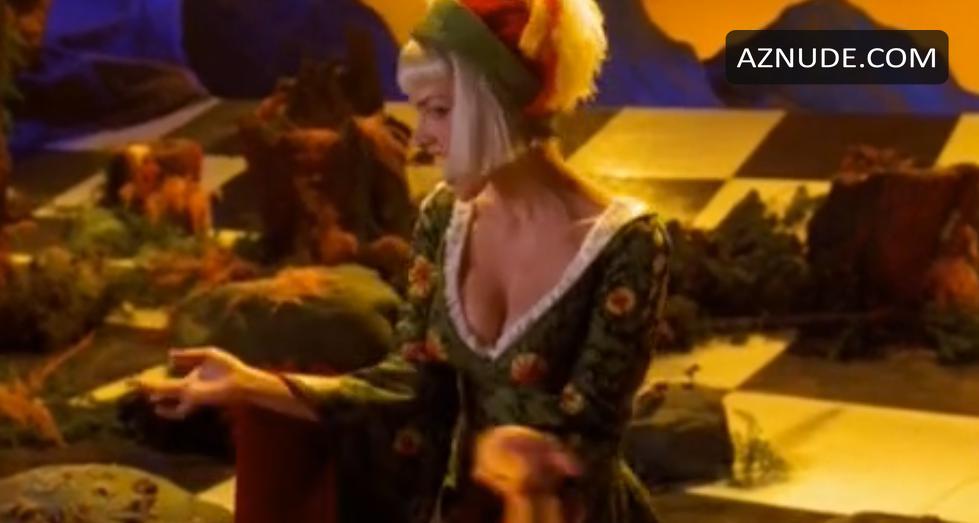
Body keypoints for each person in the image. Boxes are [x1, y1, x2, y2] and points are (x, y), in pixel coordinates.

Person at [136, 0, 672, 522]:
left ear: (493, 102)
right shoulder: (444, 218)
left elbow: (588, 429)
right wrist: (250, 383)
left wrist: (523, 458)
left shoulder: (626, 242)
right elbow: (410, 384)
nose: (421, 136)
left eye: (438, 110)